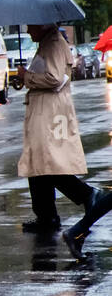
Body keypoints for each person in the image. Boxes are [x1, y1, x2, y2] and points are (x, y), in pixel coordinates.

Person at [17, 23, 110, 252]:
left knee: (48, 162)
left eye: (31, 26)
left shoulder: (55, 45)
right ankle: (46, 216)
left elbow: (54, 78)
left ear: (43, 24)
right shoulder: (47, 44)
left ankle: (88, 195)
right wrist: (26, 78)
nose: (28, 31)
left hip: (50, 112)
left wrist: (27, 76)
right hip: (43, 108)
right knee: (39, 162)